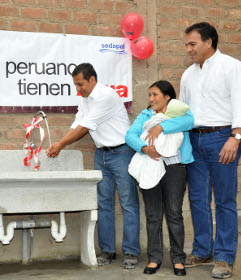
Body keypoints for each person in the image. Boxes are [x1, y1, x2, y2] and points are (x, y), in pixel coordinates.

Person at [46, 63, 140, 268]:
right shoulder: (87, 99)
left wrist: (61, 144)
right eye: (75, 85)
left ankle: (131, 252)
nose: (78, 89)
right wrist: (60, 142)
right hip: (102, 155)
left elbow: (84, 127)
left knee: (128, 203)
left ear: (92, 80)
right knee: (104, 204)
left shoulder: (106, 96)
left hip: (122, 152)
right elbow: (77, 122)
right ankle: (107, 251)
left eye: (80, 84)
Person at [180, 22, 241, 279]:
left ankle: (224, 256)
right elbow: (183, 113)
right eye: (186, 45)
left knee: (224, 200)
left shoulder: (232, 67)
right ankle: (203, 250)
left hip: (223, 138)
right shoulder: (188, 74)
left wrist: (235, 137)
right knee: (198, 199)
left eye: (193, 44)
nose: (188, 49)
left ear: (209, 42)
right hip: (194, 139)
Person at [126, 80, 194, 276]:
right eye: (149, 95)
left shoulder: (181, 112)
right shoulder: (146, 115)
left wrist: (162, 127)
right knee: (153, 215)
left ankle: (178, 259)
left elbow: (189, 122)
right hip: (150, 166)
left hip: (174, 168)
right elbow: (130, 135)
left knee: (174, 213)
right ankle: (154, 258)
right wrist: (145, 148)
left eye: (155, 95)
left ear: (167, 97)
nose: (151, 99)